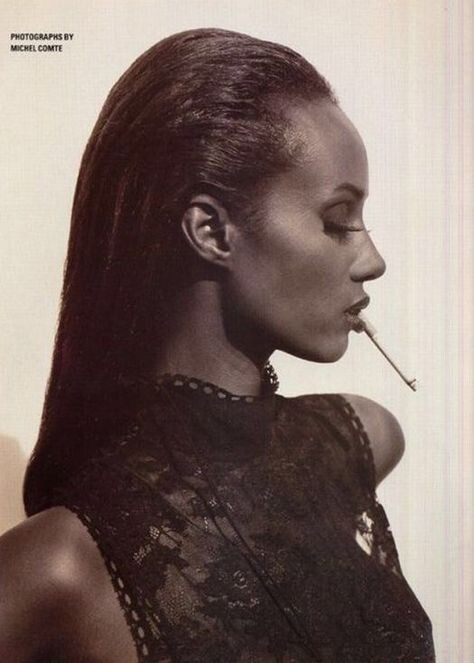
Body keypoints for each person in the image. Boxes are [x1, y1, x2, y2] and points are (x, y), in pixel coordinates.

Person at [0, 28, 435, 662]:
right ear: (211, 231)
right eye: (338, 220)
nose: (373, 260)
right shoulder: (57, 567)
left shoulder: (363, 443)